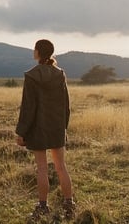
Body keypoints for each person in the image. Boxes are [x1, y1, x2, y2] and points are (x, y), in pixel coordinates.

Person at [15, 39, 75, 221]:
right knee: (61, 167)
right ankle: (69, 205)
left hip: (38, 129)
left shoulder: (31, 76)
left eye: (34, 49)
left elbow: (28, 107)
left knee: (42, 168)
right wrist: (63, 127)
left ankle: (42, 207)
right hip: (56, 127)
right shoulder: (60, 74)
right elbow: (66, 105)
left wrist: (21, 132)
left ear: (38, 52)